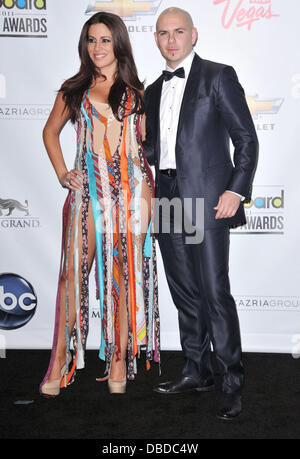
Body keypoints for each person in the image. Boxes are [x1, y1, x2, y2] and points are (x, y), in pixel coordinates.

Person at [143, 7, 258, 420]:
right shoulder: (152, 90)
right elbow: (155, 151)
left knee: (214, 291)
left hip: (208, 198)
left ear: (194, 35)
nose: (171, 40)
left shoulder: (217, 75)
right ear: (155, 39)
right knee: (185, 293)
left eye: (178, 32)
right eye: (163, 33)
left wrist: (236, 190)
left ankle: (231, 380)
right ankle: (196, 369)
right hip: (168, 195)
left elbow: (246, 138)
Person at [39, 12, 160, 398]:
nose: (98, 47)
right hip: (88, 193)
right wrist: (62, 173)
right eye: (91, 40)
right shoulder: (72, 89)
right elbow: (50, 132)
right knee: (72, 275)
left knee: (122, 277)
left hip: (131, 195)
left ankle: (119, 361)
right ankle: (60, 360)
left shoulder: (138, 93)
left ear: (119, 44)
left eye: (105, 40)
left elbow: (146, 149)